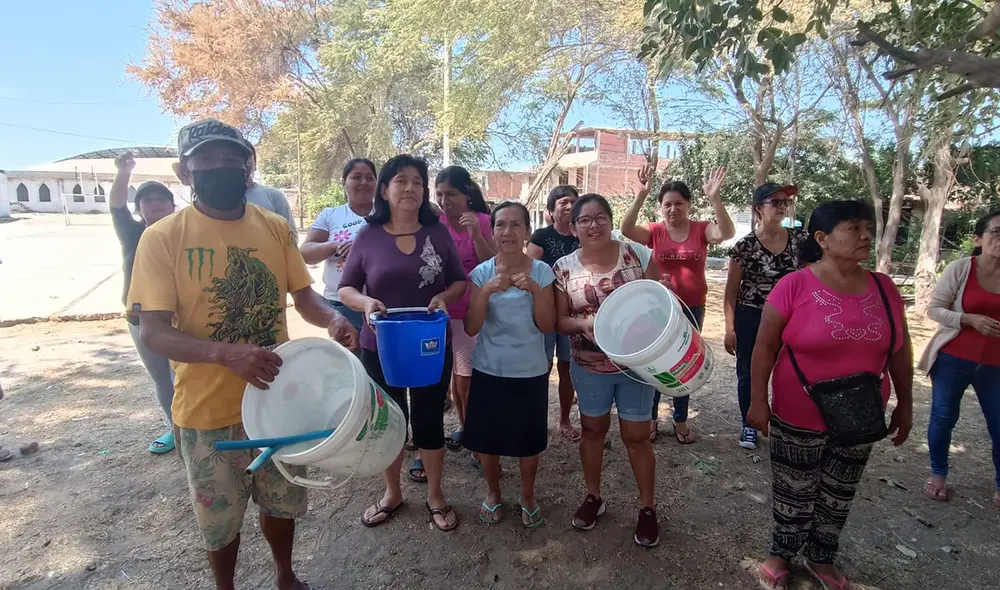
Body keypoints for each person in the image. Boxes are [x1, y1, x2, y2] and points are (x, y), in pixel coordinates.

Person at [128, 118, 358, 590]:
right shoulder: (162, 237)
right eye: (208, 159)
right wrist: (225, 353)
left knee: (282, 501)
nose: (222, 167)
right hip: (206, 410)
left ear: (249, 168)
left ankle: (284, 575)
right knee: (219, 518)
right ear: (184, 170)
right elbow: (152, 331)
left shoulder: (274, 228)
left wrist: (333, 319)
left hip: (279, 397)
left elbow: (305, 298)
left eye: (233, 159)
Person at [747, 200, 913, 590]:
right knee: (793, 486)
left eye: (866, 228)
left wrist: (905, 403)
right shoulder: (794, 286)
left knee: (839, 490)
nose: (866, 235)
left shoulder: (884, 288)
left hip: (859, 414)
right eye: (853, 228)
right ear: (822, 238)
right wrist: (758, 400)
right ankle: (781, 552)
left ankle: (822, 556)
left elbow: (900, 351)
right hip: (798, 410)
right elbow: (764, 348)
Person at [338, 154, 468, 532]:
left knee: (429, 419)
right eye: (400, 181)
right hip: (380, 346)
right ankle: (392, 493)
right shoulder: (368, 236)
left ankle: (436, 496)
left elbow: (459, 280)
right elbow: (346, 287)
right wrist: (364, 303)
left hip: (429, 344)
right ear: (385, 190)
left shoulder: (438, 233)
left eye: (417, 181)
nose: (410, 187)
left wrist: (445, 298)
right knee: (390, 422)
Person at [554, 194, 662, 548]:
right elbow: (560, 320)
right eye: (585, 220)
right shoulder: (564, 268)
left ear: (611, 220)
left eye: (601, 217)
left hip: (635, 366)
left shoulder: (638, 255)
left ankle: (647, 508)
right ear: (574, 227)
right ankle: (593, 497)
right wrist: (586, 324)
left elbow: (661, 303)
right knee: (593, 430)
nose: (594, 225)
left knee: (637, 436)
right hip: (589, 367)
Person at [620, 164, 734, 443]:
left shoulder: (701, 229)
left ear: (688, 205)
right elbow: (626, 229)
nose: (673, 209)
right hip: (660, 308)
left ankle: (680, 419)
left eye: (679, 204)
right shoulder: (655, 231)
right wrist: (642, 194)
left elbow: (727, 233)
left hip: (693, 307)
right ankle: (651, 418)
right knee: (657, 362)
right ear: (661, 207)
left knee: (685, 363)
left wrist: (715, 198)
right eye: (668, 204)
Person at [462, 202, 556, 528]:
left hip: (529, 370)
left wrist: (534, 291)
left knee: (528, 440)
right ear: (493, 232)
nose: (508, 232)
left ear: (527, 232)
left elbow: (547, 325)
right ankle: (493, 493)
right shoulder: (481, 274)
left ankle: (528, 496)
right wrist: (486, 291)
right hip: (489, 368)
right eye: (501, 225)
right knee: (488, 439)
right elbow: (471, 327)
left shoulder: (542, 273)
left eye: (516, 225)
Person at [919, 210, 1000, 508]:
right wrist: (968, 319)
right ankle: (938, 474)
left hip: (996, 365)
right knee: (942, 417)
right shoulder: (961, 268)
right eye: (996, 232)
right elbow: (934, 309)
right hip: (954, 358)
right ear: (978, 239)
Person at [723, 182, 807, 450]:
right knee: (748, 372)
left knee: (789, 372)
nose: (782, 207)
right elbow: (731, 292)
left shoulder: (801, 241)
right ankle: (749, 424)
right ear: (758, 208)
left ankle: (785, 423)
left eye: (785, 202)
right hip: (752, 318)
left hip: (791, 320)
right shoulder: (744, 247)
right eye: (775, 202)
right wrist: (729, 328)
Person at [109, 151, 178, 454]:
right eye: (147, 200)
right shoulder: (132, 232)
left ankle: (195, 430)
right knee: (162, 377)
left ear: (173, 206)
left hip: (180, 317)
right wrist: (124, 172)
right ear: (139, 209)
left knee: (186, 376)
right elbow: (115, 205)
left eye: (161, 200)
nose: (155, 204)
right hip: (139, 318)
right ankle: (176, 429)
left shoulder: (183, 235)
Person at [434, 166, 495, 451]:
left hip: (473, 310)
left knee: (467, 379)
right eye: (440, 195)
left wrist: (476, 234)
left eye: (451, 194)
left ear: (467, 194)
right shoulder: (437, 224)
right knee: (456, 380)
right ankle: (464, 426)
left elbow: (491, 264)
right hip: (443, 309)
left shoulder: (483, 221)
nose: (445, 201)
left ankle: (476, 434)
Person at [528, 184, 582, 442]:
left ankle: (564, 419)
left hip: (575, 312)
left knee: (567, 367)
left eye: (573, 201)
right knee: (542, 365)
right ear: (551, 210)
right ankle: (536, 418)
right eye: (562, 202)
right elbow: (529, 272)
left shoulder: (584, 235)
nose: (569, 205)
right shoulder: (540, 236)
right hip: (546, 313)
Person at [300, 158, 377, 331]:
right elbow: (305, 253)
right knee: (349, 356)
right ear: (344, 182)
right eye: (356, 177)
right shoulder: (331, 215)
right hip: (341, 305)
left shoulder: (388, 213)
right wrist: (334, 246)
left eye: (369, 178)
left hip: (379, 303)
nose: (364, 182)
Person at [245, 152, 297, 233]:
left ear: (255, 164)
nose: (244, 162)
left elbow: (290, 234)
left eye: (248, 157)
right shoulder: (220, 200)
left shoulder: (275, 196)